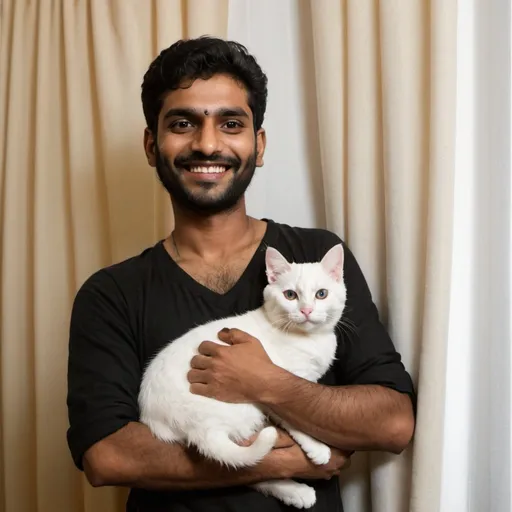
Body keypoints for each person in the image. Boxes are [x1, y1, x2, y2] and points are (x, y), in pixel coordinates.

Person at [66, 36, 416, 512]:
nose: (207, 143)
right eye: (183, 123)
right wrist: (282, 462)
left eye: (231, 123)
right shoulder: (111, 294)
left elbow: (393, 422)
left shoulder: (313, 257)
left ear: (259, 143)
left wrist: (266, 383)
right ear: (153, 146)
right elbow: (107, 457)